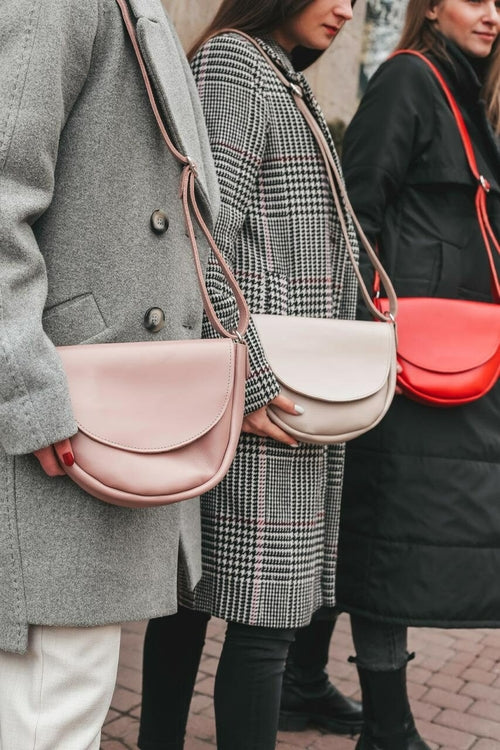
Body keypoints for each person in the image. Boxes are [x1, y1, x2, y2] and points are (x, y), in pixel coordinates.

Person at [137, 2, 364, 749]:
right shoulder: (236, 64)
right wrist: (254, 379)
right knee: (261, 620)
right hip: (259, 387)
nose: (345, 9)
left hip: (265, 382)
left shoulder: (275, 74)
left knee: (195, 605)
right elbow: (202, 229)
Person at [0, 0, 222, 747]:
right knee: (51, 714)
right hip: (55, 437)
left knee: (66, 708)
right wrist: (33, 393)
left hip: (95, 424)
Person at [336, 0, 500, 746]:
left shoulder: (467, 84)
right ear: (431, 6)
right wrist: (371, 328)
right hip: (409, 354)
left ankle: (305, 684)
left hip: (453, 352)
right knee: (388, 532)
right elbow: (357, 211)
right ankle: (388, 726)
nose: (493, 14)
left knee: (376, 525)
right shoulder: (411, 78)